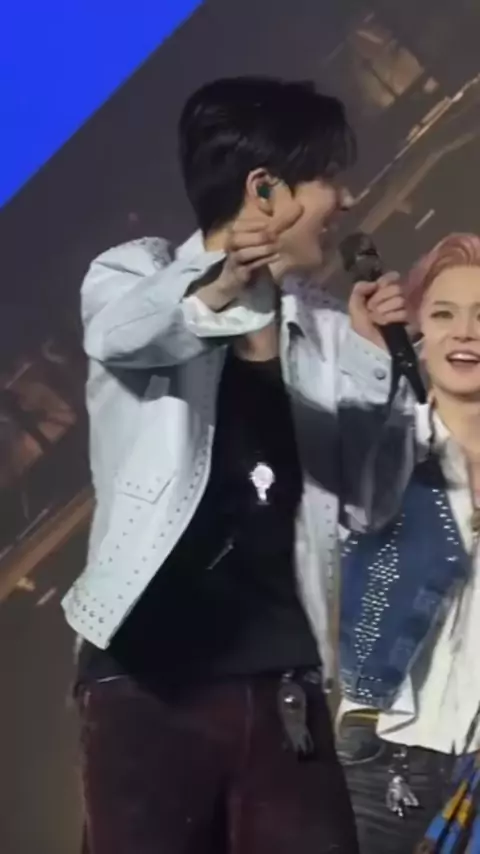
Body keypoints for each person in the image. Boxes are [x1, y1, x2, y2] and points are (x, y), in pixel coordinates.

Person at [63, 76, 413, 854]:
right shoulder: (134, 275)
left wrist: (369, 360)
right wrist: (221, 286)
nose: (346, 199)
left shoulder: (326, 328)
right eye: (329, 176)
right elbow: (122, 336)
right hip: (150, 680)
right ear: (264, 189)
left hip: (286, 687)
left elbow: (371, 504)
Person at [337, 233, 480, 854]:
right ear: (419, 330)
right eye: (444, 314)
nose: (465, 333)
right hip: (380, 761)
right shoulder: (386, 446)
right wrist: (368, 360)